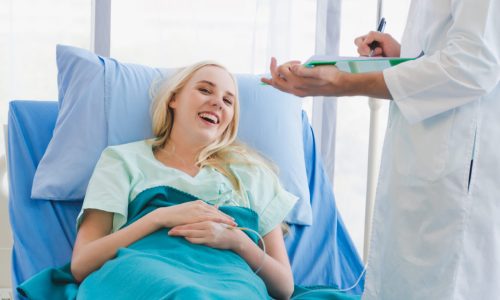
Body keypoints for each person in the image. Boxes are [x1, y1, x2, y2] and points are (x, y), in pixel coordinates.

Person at [261, 0, 500, 299]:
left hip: (457, 176)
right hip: (428, 160)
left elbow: (474, 65)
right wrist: (403, 57)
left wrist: (347, 83)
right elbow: (458, 49)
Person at [70, 61, 296, 299]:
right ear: (173, 99)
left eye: (228, 101)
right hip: (145, 272)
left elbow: (284, 288)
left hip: (230, 282)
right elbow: (82, 264)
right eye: (205, 90)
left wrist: (238, 242)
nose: (218, 102)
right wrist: (159, 217)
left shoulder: (253, 174)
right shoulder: (122, 160)